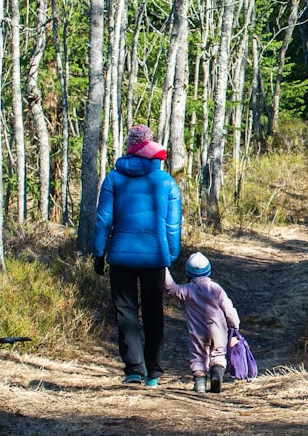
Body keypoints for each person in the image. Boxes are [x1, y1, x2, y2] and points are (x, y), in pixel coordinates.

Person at [92, 124, 182, 388]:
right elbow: (173, 225)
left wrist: (99, 252)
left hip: (121, 257)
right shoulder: (166, 181)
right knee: (154, 312)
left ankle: (133, 369)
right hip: (154, 257)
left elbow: (103, 220)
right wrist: (171, 254)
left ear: (130, 146)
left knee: (126, 312)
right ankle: (152, 372)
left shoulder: (113, 178)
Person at [165, 252, 241, 394]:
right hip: (218, 330)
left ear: (188, 273)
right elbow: (228, 307)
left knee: (198, 356)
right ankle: (216, 375)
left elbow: (171, 288)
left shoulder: (187, 290)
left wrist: (164, 268)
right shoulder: (216, 288)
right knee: (218, 355)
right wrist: (234, 324)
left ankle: (200, 384)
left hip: (198, 333)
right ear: (209, 270)